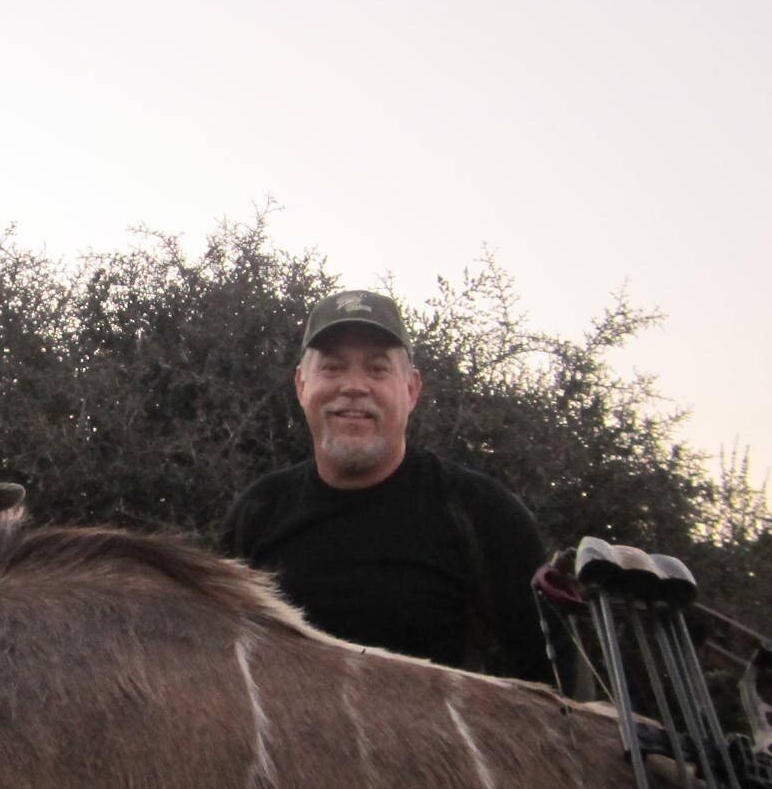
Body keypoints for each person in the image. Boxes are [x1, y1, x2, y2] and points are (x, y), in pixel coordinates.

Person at [222, 290, 563, 688]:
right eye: (332, 368)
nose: (353, 386)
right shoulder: (258, 512)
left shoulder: (481, 513)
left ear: (412, 389)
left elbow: (554, 692)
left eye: (377, 369)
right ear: (301, 385)